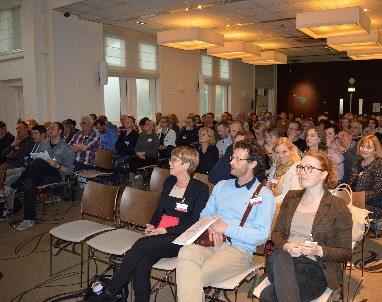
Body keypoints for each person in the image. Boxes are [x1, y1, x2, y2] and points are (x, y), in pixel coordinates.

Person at [88, 146, 209, 302]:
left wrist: (164, 230)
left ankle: (111, 292)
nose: (170, 163)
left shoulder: (200, 189)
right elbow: (159, 211)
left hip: (180, 238)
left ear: (186, 165)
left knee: (140, 245)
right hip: (159, 234)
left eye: (174, 160)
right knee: (141, 264)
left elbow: (194, 223)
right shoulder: (170, 181)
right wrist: (152, 225)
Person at [176, 139, 275, 302]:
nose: (231, 162)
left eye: (238, 159)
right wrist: (212, 227)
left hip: (238, 250)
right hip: (211, 242)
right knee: (186, 252)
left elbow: (261, 235)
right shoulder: (222, 185)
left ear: (252, 164)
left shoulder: (264, 195)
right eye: (232, 157)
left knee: (192, 276)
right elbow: (204, 214)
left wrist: (226, 228)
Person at [261, 150, 352, 302]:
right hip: (283, 262)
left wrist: (319, 250)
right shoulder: (291, 197)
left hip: (314, 268)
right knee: (280, 255)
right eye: (301, 167)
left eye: (309, 168)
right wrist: (287, 245)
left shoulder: (338, 207)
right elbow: (277, 233)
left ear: (324, 174)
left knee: (268, 296)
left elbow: (345, 252)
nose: (303, 172)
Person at [12, 122, 75, 230]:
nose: (49, 130)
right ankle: (29, 219)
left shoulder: (66, 148)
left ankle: (16, 185)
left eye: (53, 128)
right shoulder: (44, 144)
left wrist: (58, 165)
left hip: (56, 175)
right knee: (29, 181)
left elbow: (70, 171)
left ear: (60, 131)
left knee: (39, 162)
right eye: (49, 128)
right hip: (40, 174)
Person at [348, 135, 382, 222]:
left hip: (373, 206)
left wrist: (357, 198)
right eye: (362, 146)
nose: (364, 149)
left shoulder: (379, 166)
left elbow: (378, 192)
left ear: (375, 150)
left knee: (344, 210)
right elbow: (350, 185)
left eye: (369, 147)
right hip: (354, 201)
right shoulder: (357, 164)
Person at [266, 137, 301, 204]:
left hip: (286, 207)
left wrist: (267, 201)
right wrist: (256, 200)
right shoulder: (276, 167)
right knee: (250, 203)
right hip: (271, 202)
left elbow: (291, 196)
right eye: (277, 152)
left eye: (284, 152)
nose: (280, 156)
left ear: (291, 151)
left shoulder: (297, 168)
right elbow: (267, 189)